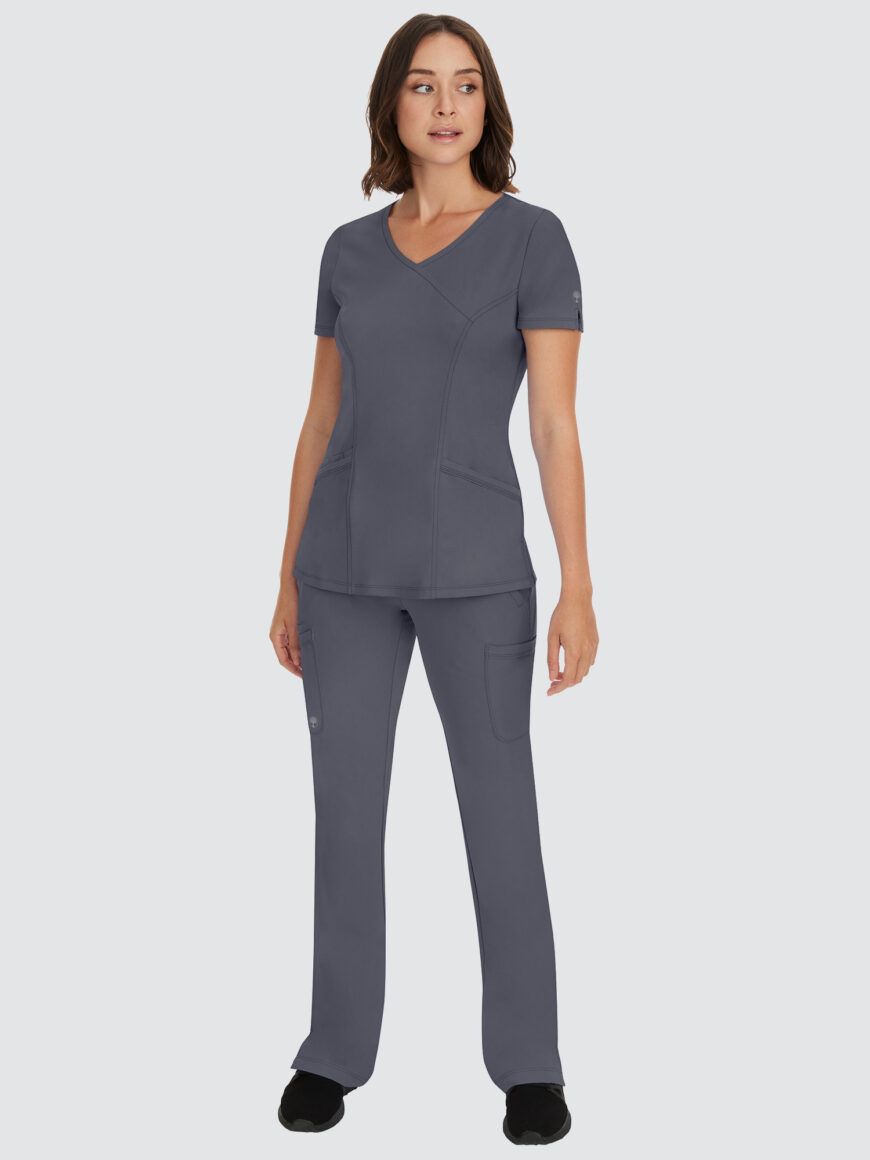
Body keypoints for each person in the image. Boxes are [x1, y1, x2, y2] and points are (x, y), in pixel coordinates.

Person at [269, 14, 598, 1146]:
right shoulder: (345, 251)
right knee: (344, 817)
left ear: (486, 106)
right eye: (422, 85)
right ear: (393, 107)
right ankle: (333, 1052)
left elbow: (554, 424)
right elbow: (320, 418)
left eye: (464, 85)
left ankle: (530, 1067)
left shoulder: (534, 241)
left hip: (478, 575)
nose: (445, 105)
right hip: (344, 570)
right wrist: (287, 575)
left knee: (500, 818)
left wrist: (578, 583)